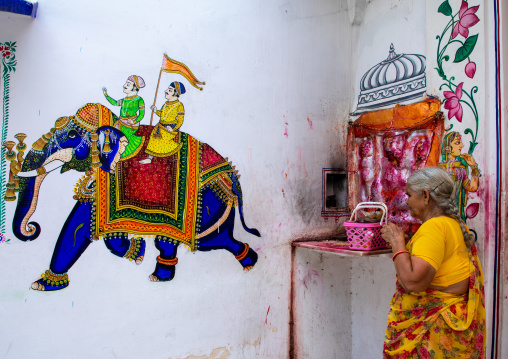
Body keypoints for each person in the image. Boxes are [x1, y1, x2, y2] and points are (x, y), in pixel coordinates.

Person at [380, 167, 485, 358]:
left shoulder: (434, 227)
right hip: (450, 325)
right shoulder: (452, 224)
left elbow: (414, 282)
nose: (407, 201)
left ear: (426, 196)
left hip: (433, 330)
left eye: (410, 195)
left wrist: (397, 243)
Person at [139, 81, 185, 164]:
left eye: (170, 90)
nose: (166, 91)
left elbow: (180, 120)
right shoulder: (166, 104)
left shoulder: (179, 105)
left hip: (170, 128)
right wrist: (156, 111)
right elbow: (162, 114)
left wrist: (173, 129)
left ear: (175, 93)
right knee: (153, 138)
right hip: (160, 125)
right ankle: (150, 158)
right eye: (168, 89)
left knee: (161, 140)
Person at [438, 131, 480, 221]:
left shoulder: (461, 169)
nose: (461, 146)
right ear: (448, 148)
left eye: (460, 143)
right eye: (457, 143)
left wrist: (474, 166)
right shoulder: (439, 168)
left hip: (457, 214)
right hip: (441, 214)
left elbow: (472, 187)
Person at [102, 75, 146, 159]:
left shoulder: (139, 100)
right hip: (120, 122)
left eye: (128, 84)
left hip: (131, 125)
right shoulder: (124, 99)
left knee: (124, 141)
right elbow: (114, 103)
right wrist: (106, 95)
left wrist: (134, 121)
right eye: (126, 83)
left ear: (134, 88)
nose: (124, 86)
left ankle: (121, 154)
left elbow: (141, 114)